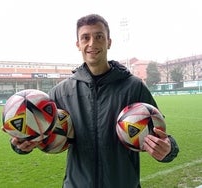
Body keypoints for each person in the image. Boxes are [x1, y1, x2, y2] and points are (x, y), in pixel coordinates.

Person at [10, 14, 179, 188]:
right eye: (85, 37)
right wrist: (20, 143)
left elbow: (160, 134)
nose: (92, 43)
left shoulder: (134, 87)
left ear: (109, 42)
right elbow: (33, 129)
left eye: (99, 36)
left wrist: (168, 149)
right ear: (78, 44)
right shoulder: (61, 92)